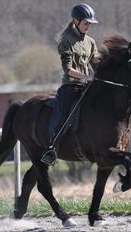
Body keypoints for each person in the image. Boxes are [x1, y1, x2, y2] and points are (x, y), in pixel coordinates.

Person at [41, 3, 100, 165]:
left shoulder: (91, 42)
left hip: (86, 86)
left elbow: (96, 63)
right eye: (86, 23)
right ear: (76, 21)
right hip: (70, 86)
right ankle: (51, 148)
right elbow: (68, 69)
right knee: (66, 116)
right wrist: (86, 77)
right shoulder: (66, 41)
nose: (88, 26)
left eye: (90, 24)